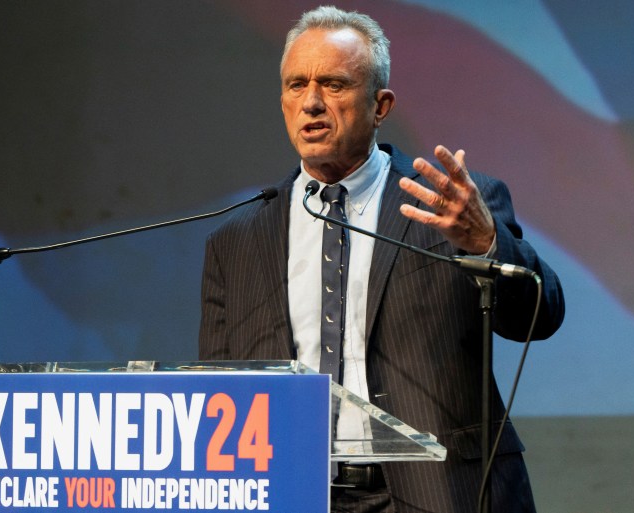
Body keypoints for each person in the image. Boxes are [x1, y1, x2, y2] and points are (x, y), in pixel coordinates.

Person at [199, 5, 564, 513]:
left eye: (333, 84)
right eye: (296, 85)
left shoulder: (454, 205)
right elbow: (222, 396)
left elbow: (538, 319)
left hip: (443, 493)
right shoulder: (237, 240)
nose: (311, 102)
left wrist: (486, 243)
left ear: (380, 104)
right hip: (293, 494)